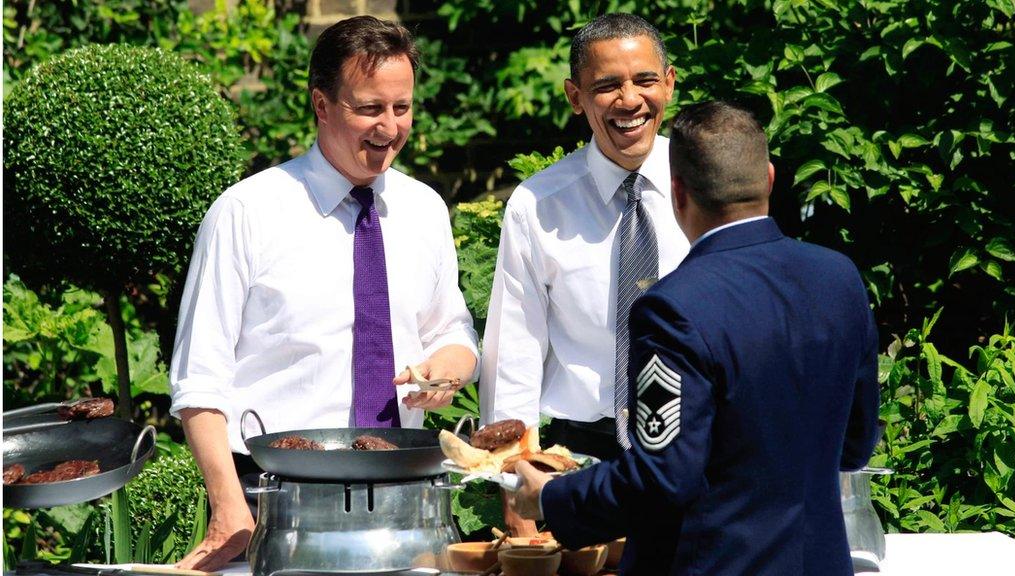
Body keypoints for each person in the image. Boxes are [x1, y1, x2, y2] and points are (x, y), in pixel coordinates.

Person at [511, 101, 881, 575]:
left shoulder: (674, 308)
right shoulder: (839, 278)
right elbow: (855, 444)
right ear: (769, 179)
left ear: (678, 192)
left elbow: (663, 477)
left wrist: (551, 497)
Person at [168, 16, 478, 571]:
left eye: (401, 108)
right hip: (276, 504)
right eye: (369, 108)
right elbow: (199, 380)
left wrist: (447, 370)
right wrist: (228, 509)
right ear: (322, 105)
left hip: (405, 499)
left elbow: (452, 330)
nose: (389, 127)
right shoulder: (246, 212)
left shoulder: (424, 209)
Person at [478, 14, 689, 534]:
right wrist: (517, 491)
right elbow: (515, 356)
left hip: (697, 449)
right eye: (606, 86)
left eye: (644, 80)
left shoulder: (706, 184)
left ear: (669, 82)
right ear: (576, 97)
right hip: (581, 461)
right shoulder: (537, 206)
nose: (629, 100)